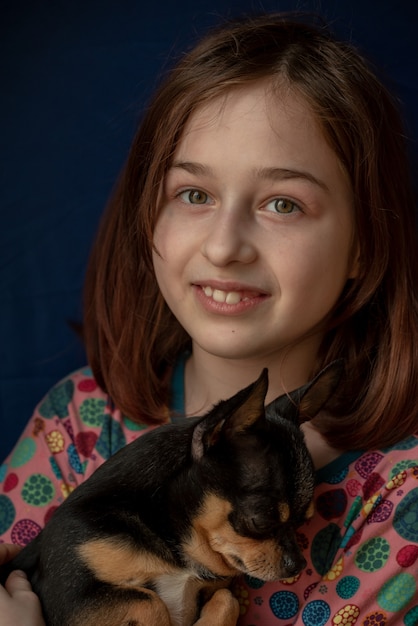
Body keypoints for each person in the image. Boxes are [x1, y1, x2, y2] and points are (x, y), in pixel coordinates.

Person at [1, 11, 418, 625]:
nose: (225, 247)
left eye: (283, 204)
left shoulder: (401, 498)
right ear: (150, 215)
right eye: (194, 195)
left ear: (364, 243)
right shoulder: (78, 423)